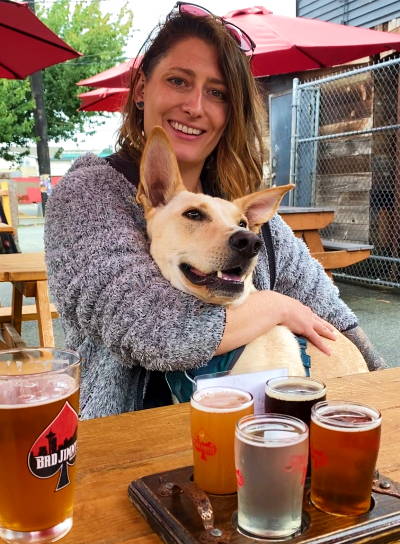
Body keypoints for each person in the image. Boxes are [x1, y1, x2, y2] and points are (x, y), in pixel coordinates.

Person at [44, 3, 386, 420]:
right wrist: (273, 306)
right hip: (132, 440)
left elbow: (330, 314)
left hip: (262, 438)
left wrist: (379, 383)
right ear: (140, 88)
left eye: (217, 93)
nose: (195, 106)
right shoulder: (90, 194)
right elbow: (152, 331)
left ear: (230, 112)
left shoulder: (242, 212)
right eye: (178, 81)